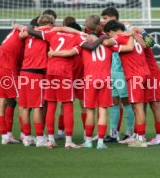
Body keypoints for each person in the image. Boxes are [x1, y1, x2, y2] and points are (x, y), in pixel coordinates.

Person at [48, 15, 134, 149]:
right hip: (105, 79)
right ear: (100, 27)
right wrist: (132, 34)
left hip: (89, 79)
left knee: (90, 111)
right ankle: (100, 142)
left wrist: (54, 53)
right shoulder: (108, 43)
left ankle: (88, 141)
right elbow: (129, 48)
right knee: (103, 110)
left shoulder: (84, 42)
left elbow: (70, 52)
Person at [27, 17, 108, 149]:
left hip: (51, 71)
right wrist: (101, 38)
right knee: (67, 105)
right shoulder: (78, 38)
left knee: (52, 105)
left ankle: (50, 139)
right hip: (64, 72)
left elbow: (31, 31)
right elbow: (91, 46)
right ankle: (68, 141)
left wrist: (35, 27)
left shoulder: (52, 33)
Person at [103, 20, 151, 147]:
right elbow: (146, 46)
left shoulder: (120, 36)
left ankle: (141, 139)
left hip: (135, 75)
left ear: (112, 31)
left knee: (138, 108)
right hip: (144, 73)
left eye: (108, 34)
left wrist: (109, 43)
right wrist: (134, 33)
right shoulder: (134, 35)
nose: (109, 37)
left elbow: (107, 42)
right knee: (136, 107)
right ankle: (139, 136)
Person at [18, 15, 54, 147]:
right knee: (38, 107)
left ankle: (27, 137)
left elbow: (20, 33)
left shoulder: (28, 34)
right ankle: (40, 138)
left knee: (25, 108)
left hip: (24, 72)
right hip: (36, 73)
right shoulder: (47, 33)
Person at [0, 26, 25, 145]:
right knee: (22, 103)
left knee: (2, 103)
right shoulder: (22, 35)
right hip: (8, 70)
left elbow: (16, 25)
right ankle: (25, 135)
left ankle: (5, 136)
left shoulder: (13, 32)